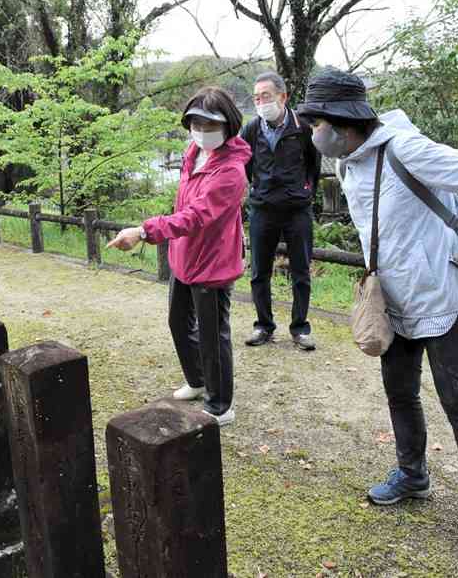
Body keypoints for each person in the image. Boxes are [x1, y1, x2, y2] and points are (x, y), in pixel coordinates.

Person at [297, 69, 458, 543]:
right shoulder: (349, 161)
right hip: (394, 297)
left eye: (316, 124)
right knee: (400, 391)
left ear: (341, 123)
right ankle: (413, 474)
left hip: (441, 294)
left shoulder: (404, 147)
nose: (314, 133)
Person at [107, 86, 251, 427]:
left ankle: (220, 405)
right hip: (185, 255)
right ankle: (198, 380)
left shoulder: (231, 171)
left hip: (212, 262)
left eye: (209, 125)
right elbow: (183, 207)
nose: (201, 131)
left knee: (214, 335)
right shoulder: (194, 152)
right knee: (179, 321)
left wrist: (143, 232)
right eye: (195, 124)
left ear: (228, 125)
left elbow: (196, 216)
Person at [240, 71, 321, 350]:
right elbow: (244, 166)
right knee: (259, 272)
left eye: (266, 96)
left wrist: (307, 191)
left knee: (301, 271)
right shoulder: (251, 129)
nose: (261, 102)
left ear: (282, 97)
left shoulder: (303, 128)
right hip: (263, 209)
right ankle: (263, 325)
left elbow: (314, 165)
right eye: (257, 97)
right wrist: (255, 192)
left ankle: (300, 328)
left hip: (297, 209)